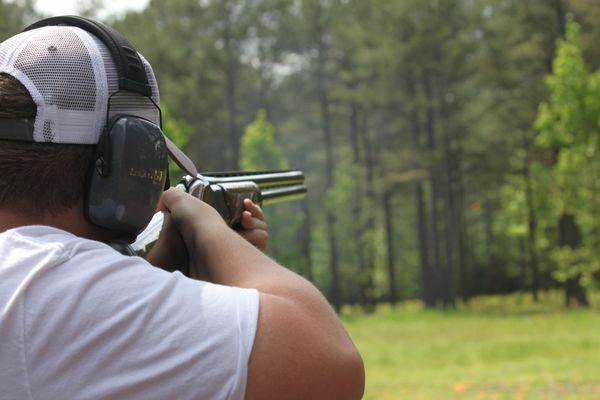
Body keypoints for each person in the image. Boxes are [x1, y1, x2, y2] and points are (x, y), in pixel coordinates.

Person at [0, 17, 364, 400]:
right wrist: (211, 231)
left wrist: (167, 268)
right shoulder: (45, 285)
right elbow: (331, 366)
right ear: (131, 163)